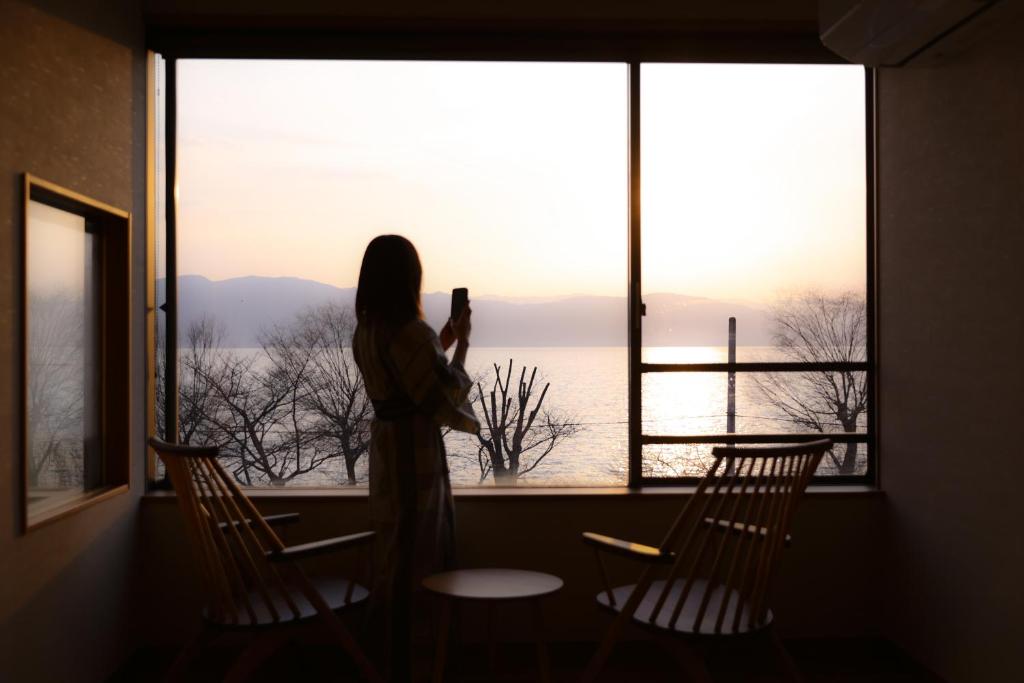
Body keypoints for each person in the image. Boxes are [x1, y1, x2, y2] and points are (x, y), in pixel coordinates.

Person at [352, 234, 478, 681]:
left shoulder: (367, 331)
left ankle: (385, 661)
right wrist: (461, 345)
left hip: (385, 451)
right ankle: (420, 664)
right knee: (419, 562)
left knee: (391, 558)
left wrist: (439, 342)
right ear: (410, 279)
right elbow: (441, 399)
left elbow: (408, 377)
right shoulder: (411, 332)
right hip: (414, 455)